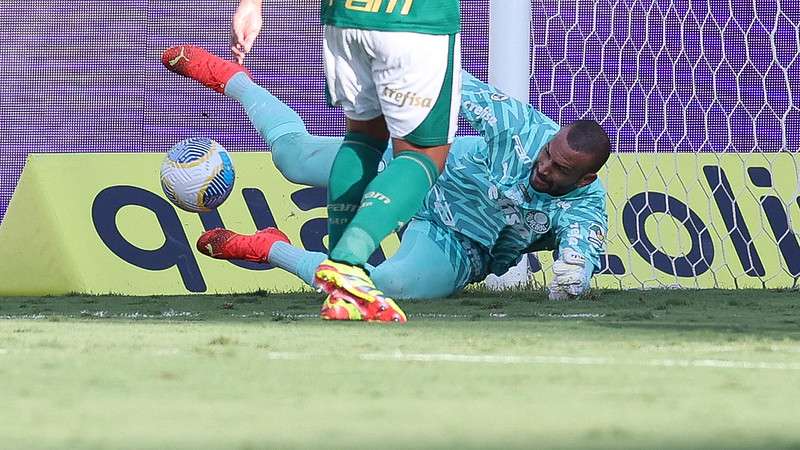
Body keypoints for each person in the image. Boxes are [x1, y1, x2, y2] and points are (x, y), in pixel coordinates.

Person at [161, 46, 611, 322]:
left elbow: (573, 273)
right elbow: (449, 86)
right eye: (548, 154)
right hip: (423, 170)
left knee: (378, 288)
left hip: (458, 245)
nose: (545, 167)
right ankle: (231, 78)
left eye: (559, 170)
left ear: (585, 178)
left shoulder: (585, 209)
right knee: (292, 159)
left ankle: (269, 248)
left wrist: (570, 281)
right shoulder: (521, 127)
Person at [222, 0, 462, 322]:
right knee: (423, 154)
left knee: (364, 137)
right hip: (414, 19)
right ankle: (347, 263)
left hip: (345, 19)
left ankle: (342, 292)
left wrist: (252, 4)